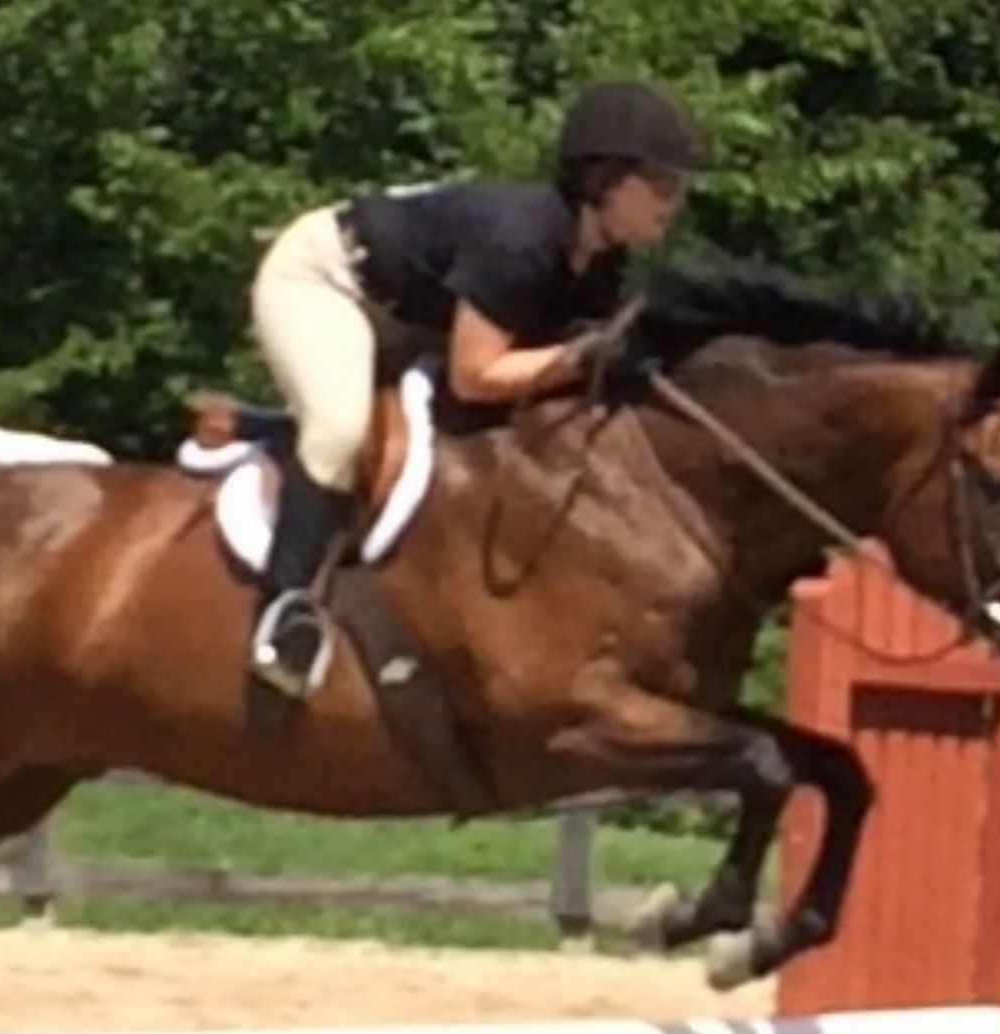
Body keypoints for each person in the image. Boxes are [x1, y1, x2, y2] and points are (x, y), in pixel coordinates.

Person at [247, 78, 711, 698]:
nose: (672, 200)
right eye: (660, 183)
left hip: (406, 315)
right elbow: (476, 376)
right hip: (324, 280)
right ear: (606, 179)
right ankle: (284, 615)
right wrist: (581, 356)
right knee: (339, 429)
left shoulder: (598, 258)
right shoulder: (522, 240)